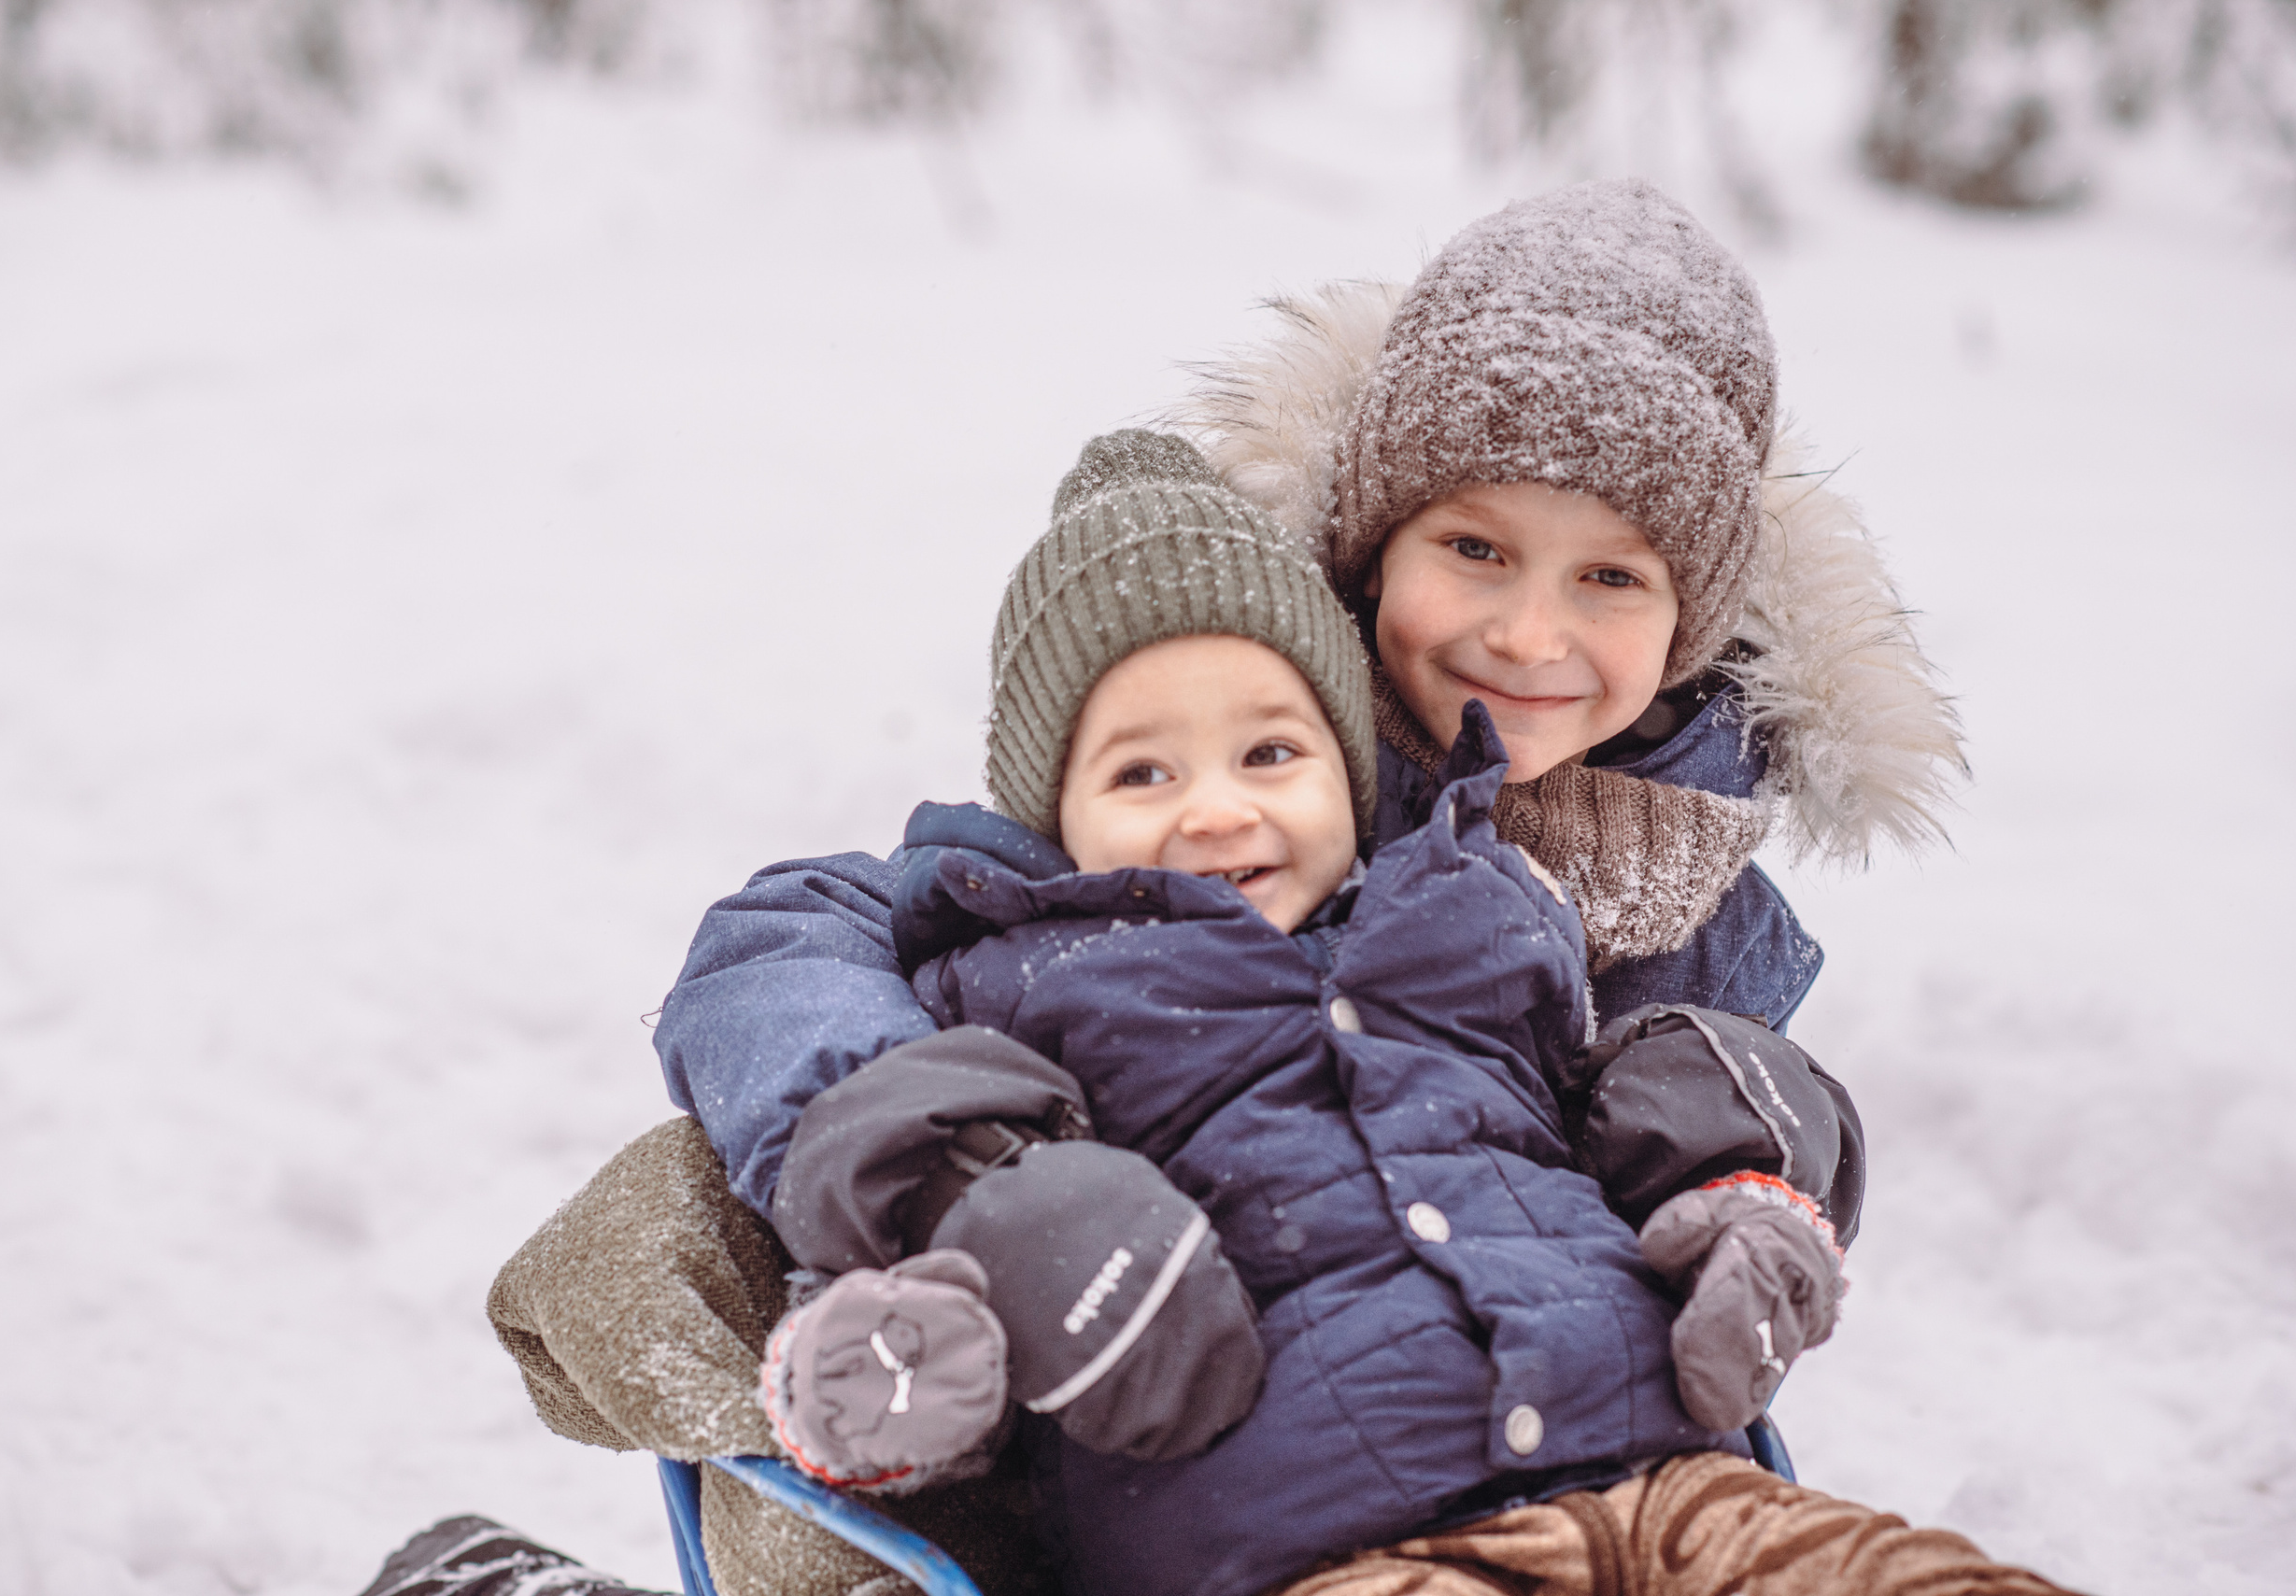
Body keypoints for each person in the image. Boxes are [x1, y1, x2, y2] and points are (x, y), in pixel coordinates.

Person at [463, 178, 1983, 1596]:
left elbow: (1676, 1134)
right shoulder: (1215, 728)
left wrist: (1751, 1173)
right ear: (1373, 547)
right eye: (1474, 545)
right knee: (698, 1205)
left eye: (1612, 576)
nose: (1529, 635)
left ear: (1698, 619)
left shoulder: (1691, 906)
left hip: (1608, 1451)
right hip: (1172, 1420)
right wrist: (976, 1177)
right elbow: (798, 941)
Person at [745, 424, 1895, 1596]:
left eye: (1269, 752)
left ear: (1349, 776)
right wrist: (911, 1345)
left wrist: (1740, 1168)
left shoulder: (1476, 912)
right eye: (1142, 773)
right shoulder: (1014, 984)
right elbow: (892, 1173)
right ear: (1054, 816)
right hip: (1328, 1545)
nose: (1214, 810)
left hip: (1671, 1482)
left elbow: (1628, 1094)